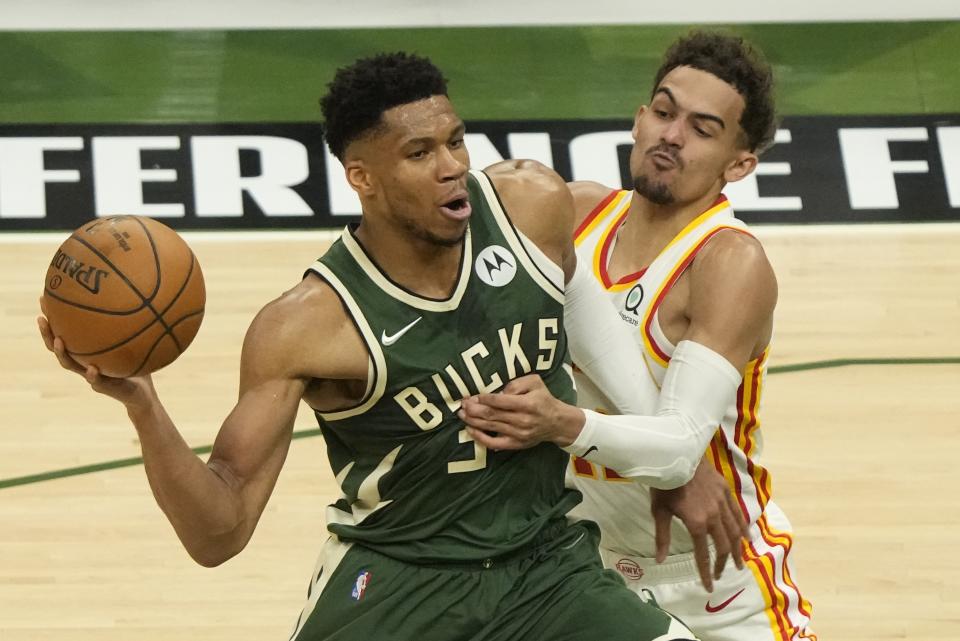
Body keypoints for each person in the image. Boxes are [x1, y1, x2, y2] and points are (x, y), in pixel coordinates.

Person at [39, 52, 697, 641]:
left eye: (456, 140)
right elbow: (220, 531)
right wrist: (142, 404)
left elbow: (602, 353)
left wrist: (671, 454)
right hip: (402, 586)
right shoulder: (307, 325)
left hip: (547, 565)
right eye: (419, 153)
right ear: (363, 177)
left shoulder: (532, 206)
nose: (452, 168)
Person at [459, 32, 816, 640]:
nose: (671, 135)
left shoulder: (727, 262)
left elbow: (677, 445)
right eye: (664, 110)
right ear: (638, 117)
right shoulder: (572, 214)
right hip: (579, 565)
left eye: (703, 129)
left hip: (713, 576)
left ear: (739, 163)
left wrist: (558, 423)